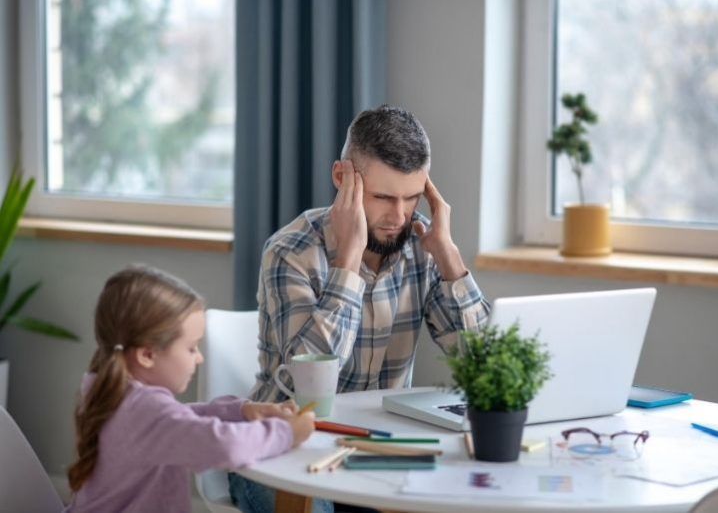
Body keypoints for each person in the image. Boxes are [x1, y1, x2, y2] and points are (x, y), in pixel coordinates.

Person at [229, 105, 490, 512]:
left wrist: (450, 257)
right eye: (384, 197)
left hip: (377, 452)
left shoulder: (424, 249)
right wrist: (348, 262)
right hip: (284, 449)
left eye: (412, 197)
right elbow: (307, 384)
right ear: (341, 178)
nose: (400, 217)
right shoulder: (290, 252)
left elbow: (489, 371)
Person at [65, 265, 315, 513]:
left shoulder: (107, 389)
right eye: (191, 348)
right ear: (147, 355)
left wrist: (243, 411)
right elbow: (225, 445)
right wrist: (286, 433)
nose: (199, 358)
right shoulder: (145, 410)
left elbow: (176, 420)